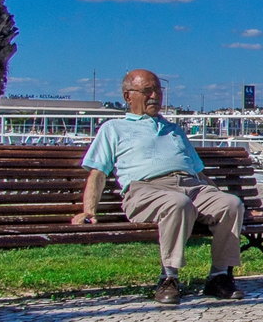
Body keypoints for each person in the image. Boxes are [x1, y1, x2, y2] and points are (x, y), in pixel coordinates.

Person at [71, 69, 245, 304]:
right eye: (147, 91)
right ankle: (169, 277)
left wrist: (220, 195)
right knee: (177, 203)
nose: (155, 96)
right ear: (127, 96)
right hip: (146, 190)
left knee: (230, 204)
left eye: (158, 90)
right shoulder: (114, 128)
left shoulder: (174, 130)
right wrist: (89, 210)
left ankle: (219, 276)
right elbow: (98, 172)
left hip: (190, 185)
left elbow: (200, 173)